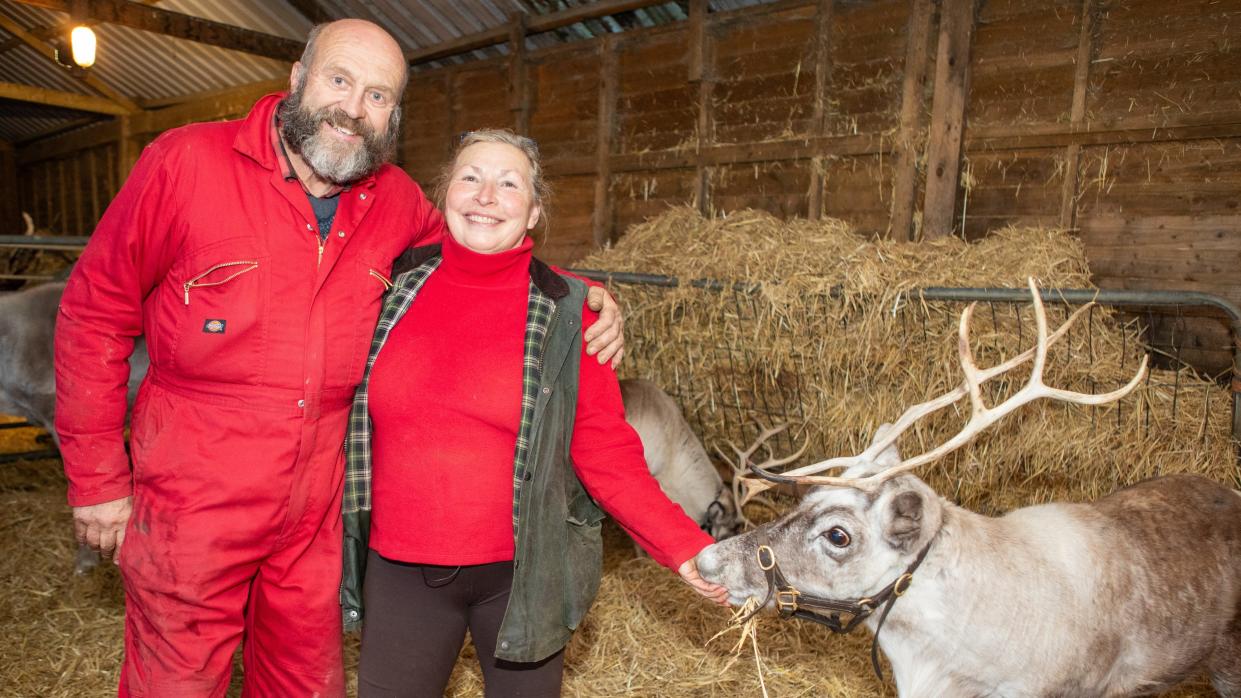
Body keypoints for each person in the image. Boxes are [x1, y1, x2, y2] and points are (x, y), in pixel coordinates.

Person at [55, 19, 623, 698]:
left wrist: (579, 296)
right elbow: (95, 312)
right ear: (297, 78)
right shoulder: (185, 163)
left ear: (395, 116)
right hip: (192, 497)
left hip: (318, 511)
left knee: (304, 683)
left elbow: (483, 252)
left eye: (378, 96)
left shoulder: (394, 201)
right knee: (175, 682)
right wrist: (97, 479)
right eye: (339, 79)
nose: (354, 109)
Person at [339, 129, 729, 697]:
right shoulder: (386, 288)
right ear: (445, 194)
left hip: (524, 574)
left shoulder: (570, 311)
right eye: (470, 178)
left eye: (509, 183)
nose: (486, 195)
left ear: (534, 211)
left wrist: (686, 545)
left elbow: (605, 452)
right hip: (400, 571)